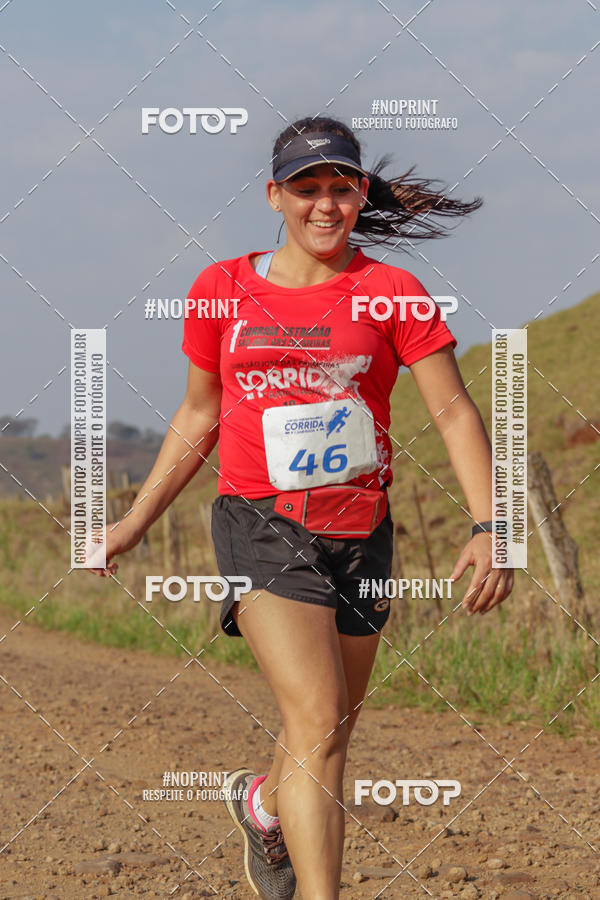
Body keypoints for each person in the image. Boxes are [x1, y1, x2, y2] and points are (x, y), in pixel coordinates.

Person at [92, 116, 514, 900]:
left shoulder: (392, 292)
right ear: (274, 196)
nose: (325, 205)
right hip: (260, 520)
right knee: (320, 720)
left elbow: (454, 412)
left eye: (340, 189)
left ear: (359, 195)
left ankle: (263, 804)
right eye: (307, 189)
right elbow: (197, 414)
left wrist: (494, 526)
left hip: (361, 531)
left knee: (326, 730)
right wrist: (133, 522)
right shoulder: (222, 288)